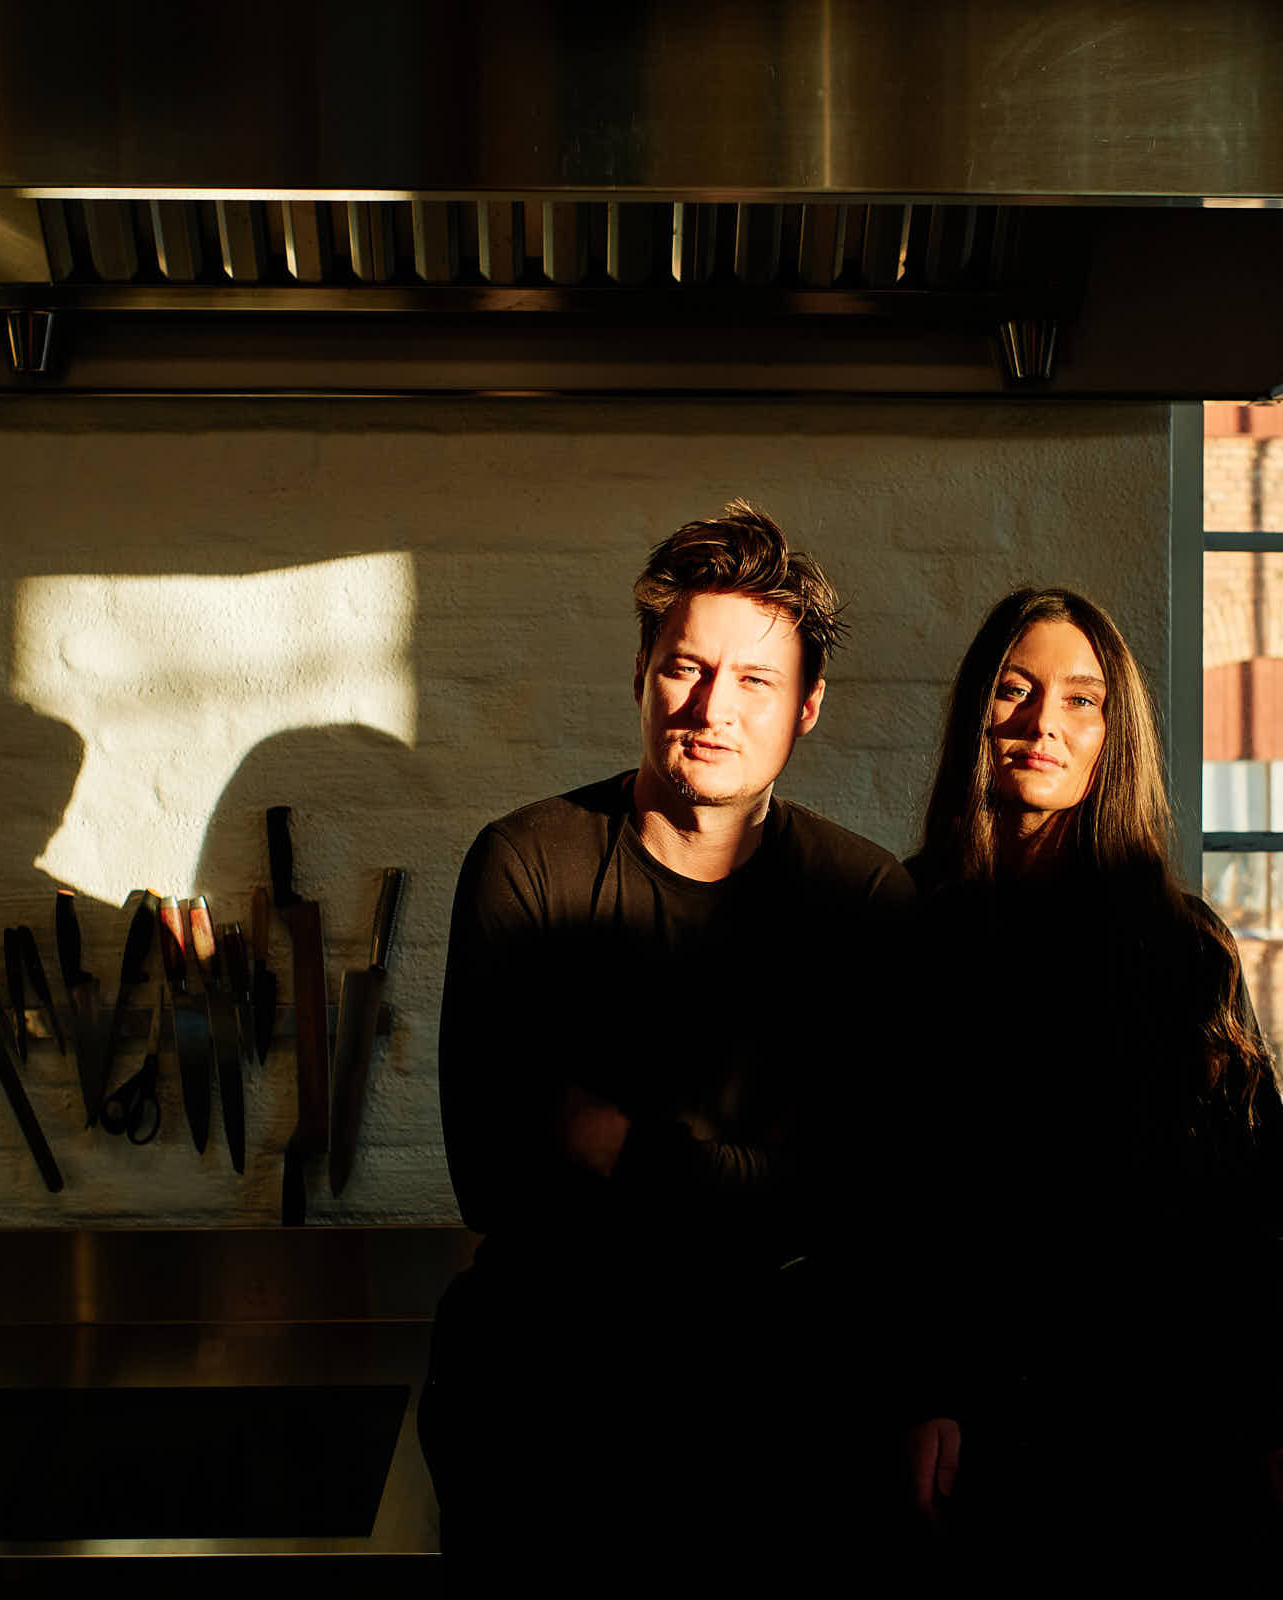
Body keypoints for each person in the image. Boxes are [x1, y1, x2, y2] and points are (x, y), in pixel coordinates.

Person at [422, 501, 915, 1570]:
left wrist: (614, 1144)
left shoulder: (863, 901)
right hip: (542, 1426)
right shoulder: (526, 866)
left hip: (777, 1431)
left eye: (754, 682)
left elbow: (855, 1202)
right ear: (641, 670)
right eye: (686, 667)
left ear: (808, 708)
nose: (711, 707)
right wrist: (753, 1178)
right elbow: (494, 1180)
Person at [896, 586, 1283, 1578]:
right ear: (977, 710)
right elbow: (888, 1198)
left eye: (1079, 700)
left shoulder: (1185, 947)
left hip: (1168, 1433)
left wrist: (1282, 1419)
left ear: (1116, 733)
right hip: (983, 1433)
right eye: (1014, 691)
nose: (1041, 724)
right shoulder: (909, 924)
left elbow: (1253, 1208)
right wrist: (923, 1389)